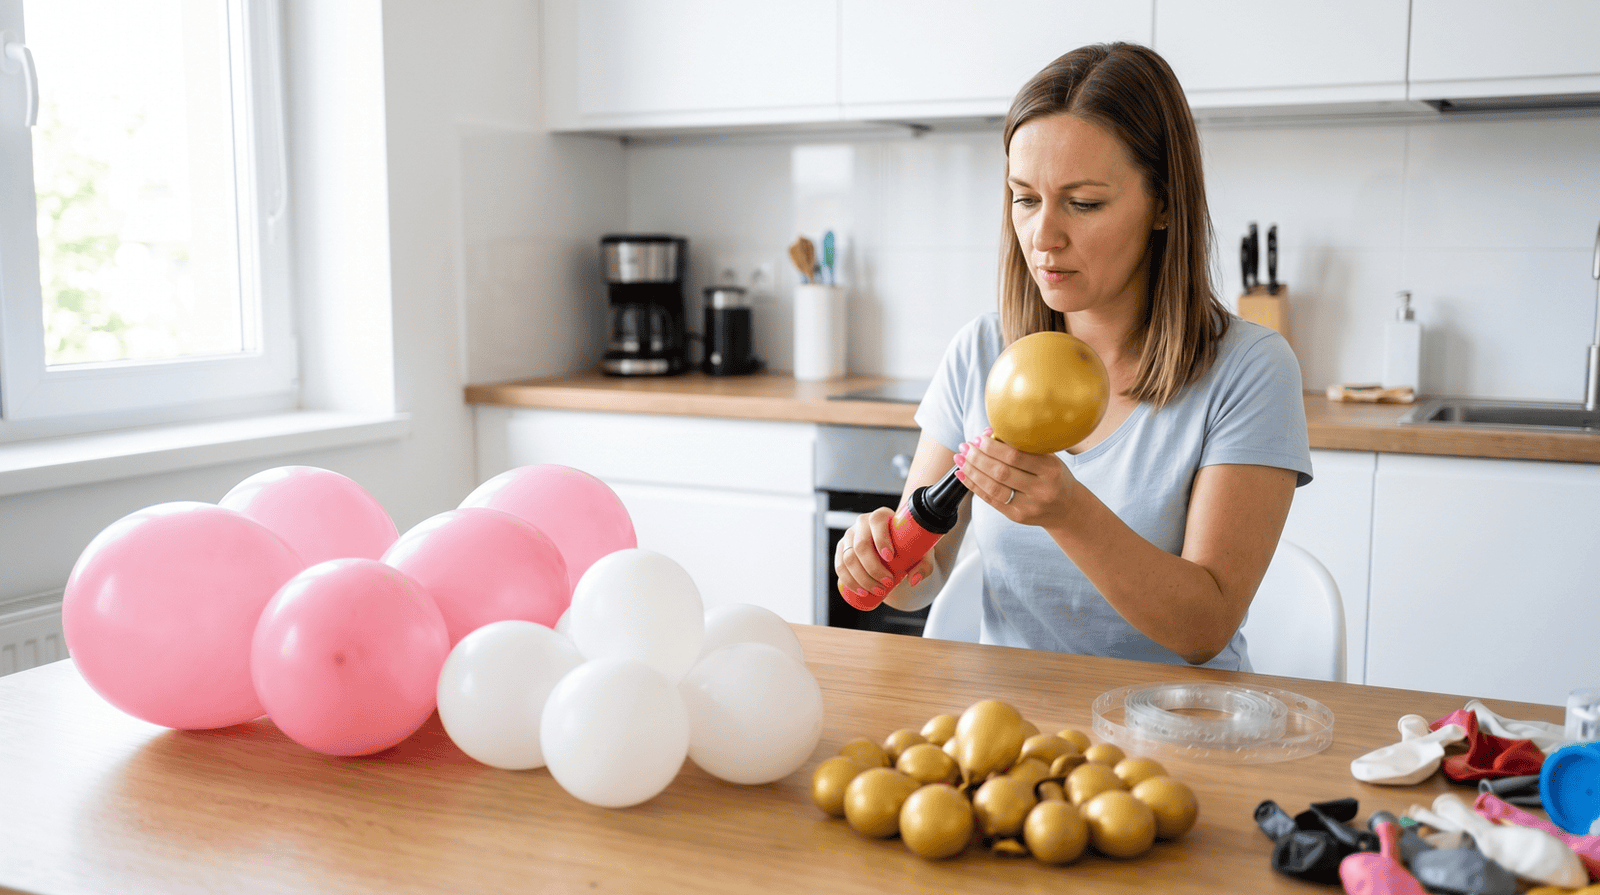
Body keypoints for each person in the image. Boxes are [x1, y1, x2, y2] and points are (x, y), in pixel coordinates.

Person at [833, 43, 1312, 670]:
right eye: (1025, 198)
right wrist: (881, 557)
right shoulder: (982, 351)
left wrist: (1068, 512)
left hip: (1180, 731)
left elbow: (1206, 627)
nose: (1042, 236)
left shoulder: (1250, 370)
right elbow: (916, 580)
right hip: (1013, 731)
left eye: (1083, 203)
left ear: (1164, 203)